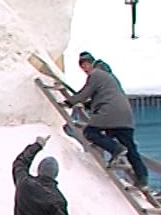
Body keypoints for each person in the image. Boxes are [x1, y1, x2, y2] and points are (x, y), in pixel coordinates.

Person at [63, 51, 149, 189]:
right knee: (131, 148)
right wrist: (89, 105)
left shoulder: (96, 74)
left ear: (92, 63)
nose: (85, 69)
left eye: (86, 64)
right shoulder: (109, 77)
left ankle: (115, 148)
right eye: (82, 66)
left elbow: (86, 92)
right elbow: (104, 96)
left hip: (110, 113)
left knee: (90, 132)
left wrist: (70, 102)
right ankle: (142, 177)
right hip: (125, 116)